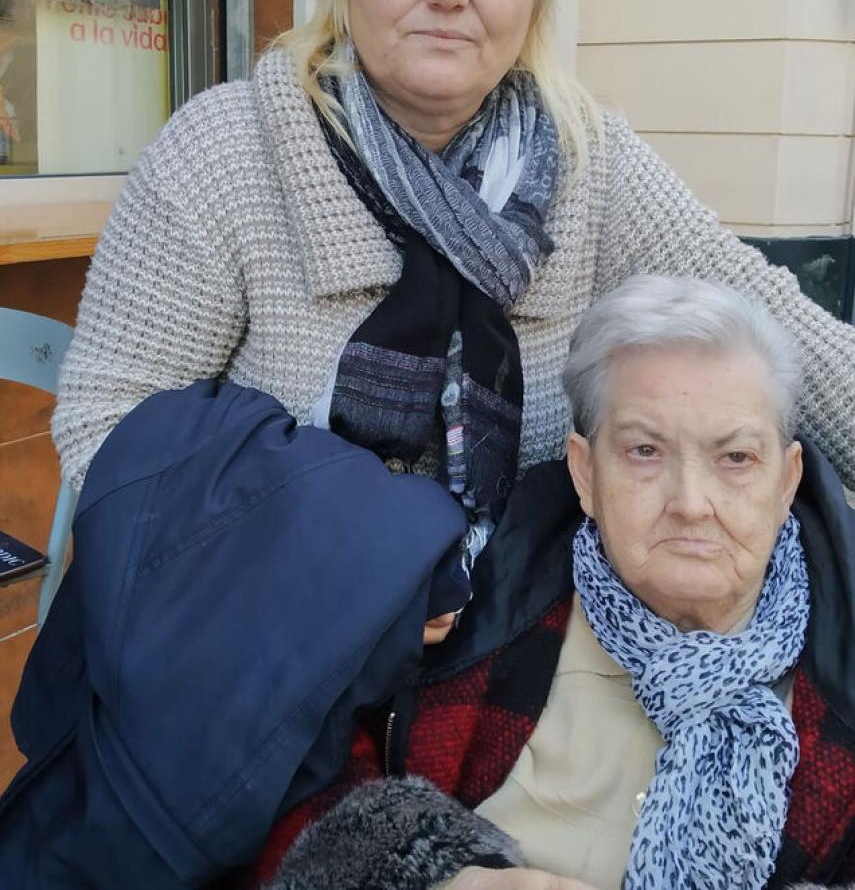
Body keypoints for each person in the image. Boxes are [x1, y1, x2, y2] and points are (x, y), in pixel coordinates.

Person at [53, 0, 855, 567]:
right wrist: (343, 566)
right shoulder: (227, 149)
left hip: (520, 618)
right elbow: (105, 428)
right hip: (281, 627)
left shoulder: (587, 155)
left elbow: (772, 323)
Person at [256, 276, 855, 890]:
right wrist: (445, 880)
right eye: (645, 450)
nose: (692, 503)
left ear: (786, 483)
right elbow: (290, 785)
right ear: (585, 472)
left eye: (735, 459)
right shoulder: (466, 602)